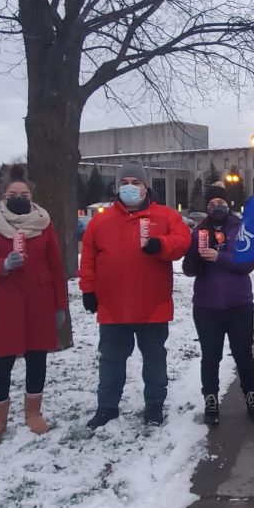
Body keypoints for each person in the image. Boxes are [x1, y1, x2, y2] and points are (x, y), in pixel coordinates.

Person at [80, 160, 191, 429]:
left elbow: (182, 241)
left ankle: (154, 407)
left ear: (146, 187)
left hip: (152, 305)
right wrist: (88, 289)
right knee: (111, 361)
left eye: (136, 183)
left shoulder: (165, 217)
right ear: (117, 188)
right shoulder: (101, 221)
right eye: (124, 183)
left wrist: (161, 244)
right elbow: (89, 259)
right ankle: (107, 407)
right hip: (113, 306)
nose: (130, 187)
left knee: (154, 359)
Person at [0, 165, 68, 444]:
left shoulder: (44, 222)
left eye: (23, 193)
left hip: (39, 300)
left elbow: (56, 267)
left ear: (31, 196)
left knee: (37, 357)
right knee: (0, 360)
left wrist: (60, 305)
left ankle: (33, 413)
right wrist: (1, 264)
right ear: (4, 195)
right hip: (4, 301)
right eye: (13, 193)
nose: (19, 196)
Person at [182, 183, 254, 425]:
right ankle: (211, 400)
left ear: (228, 205)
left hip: (239, 304)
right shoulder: (199, 232)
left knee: (243, 355)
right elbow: (188, 270)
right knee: (210, 357)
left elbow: (247, 264)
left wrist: (220, 257)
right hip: (206, 307)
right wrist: (196, 259)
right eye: (211, 204)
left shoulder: (240, 228)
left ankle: (252, 397)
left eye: (220, 203)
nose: (216, 207)